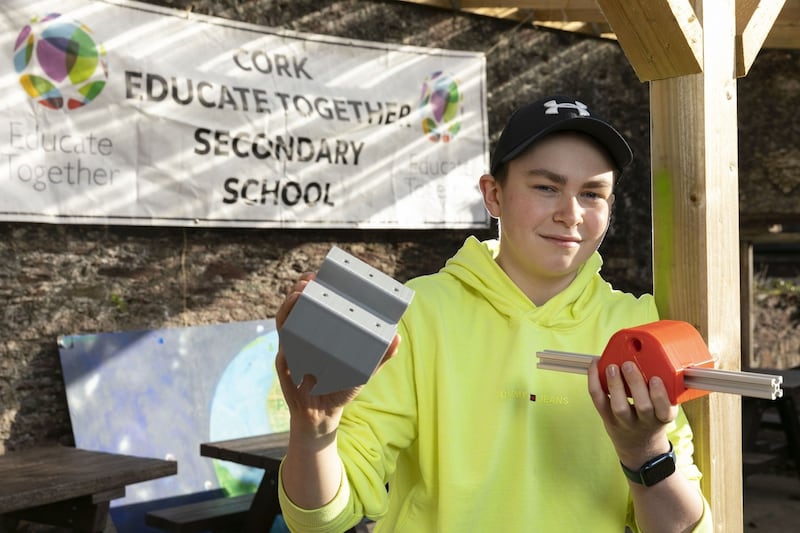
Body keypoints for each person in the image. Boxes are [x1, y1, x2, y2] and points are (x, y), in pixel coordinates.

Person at [274, 95, 712, 532]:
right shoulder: (419, 313)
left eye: (592, 193)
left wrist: (646, 452)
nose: (571, 214)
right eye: (546, 187)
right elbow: (319, 521)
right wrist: (313, 430)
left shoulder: (637, 327)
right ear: (493, 194)